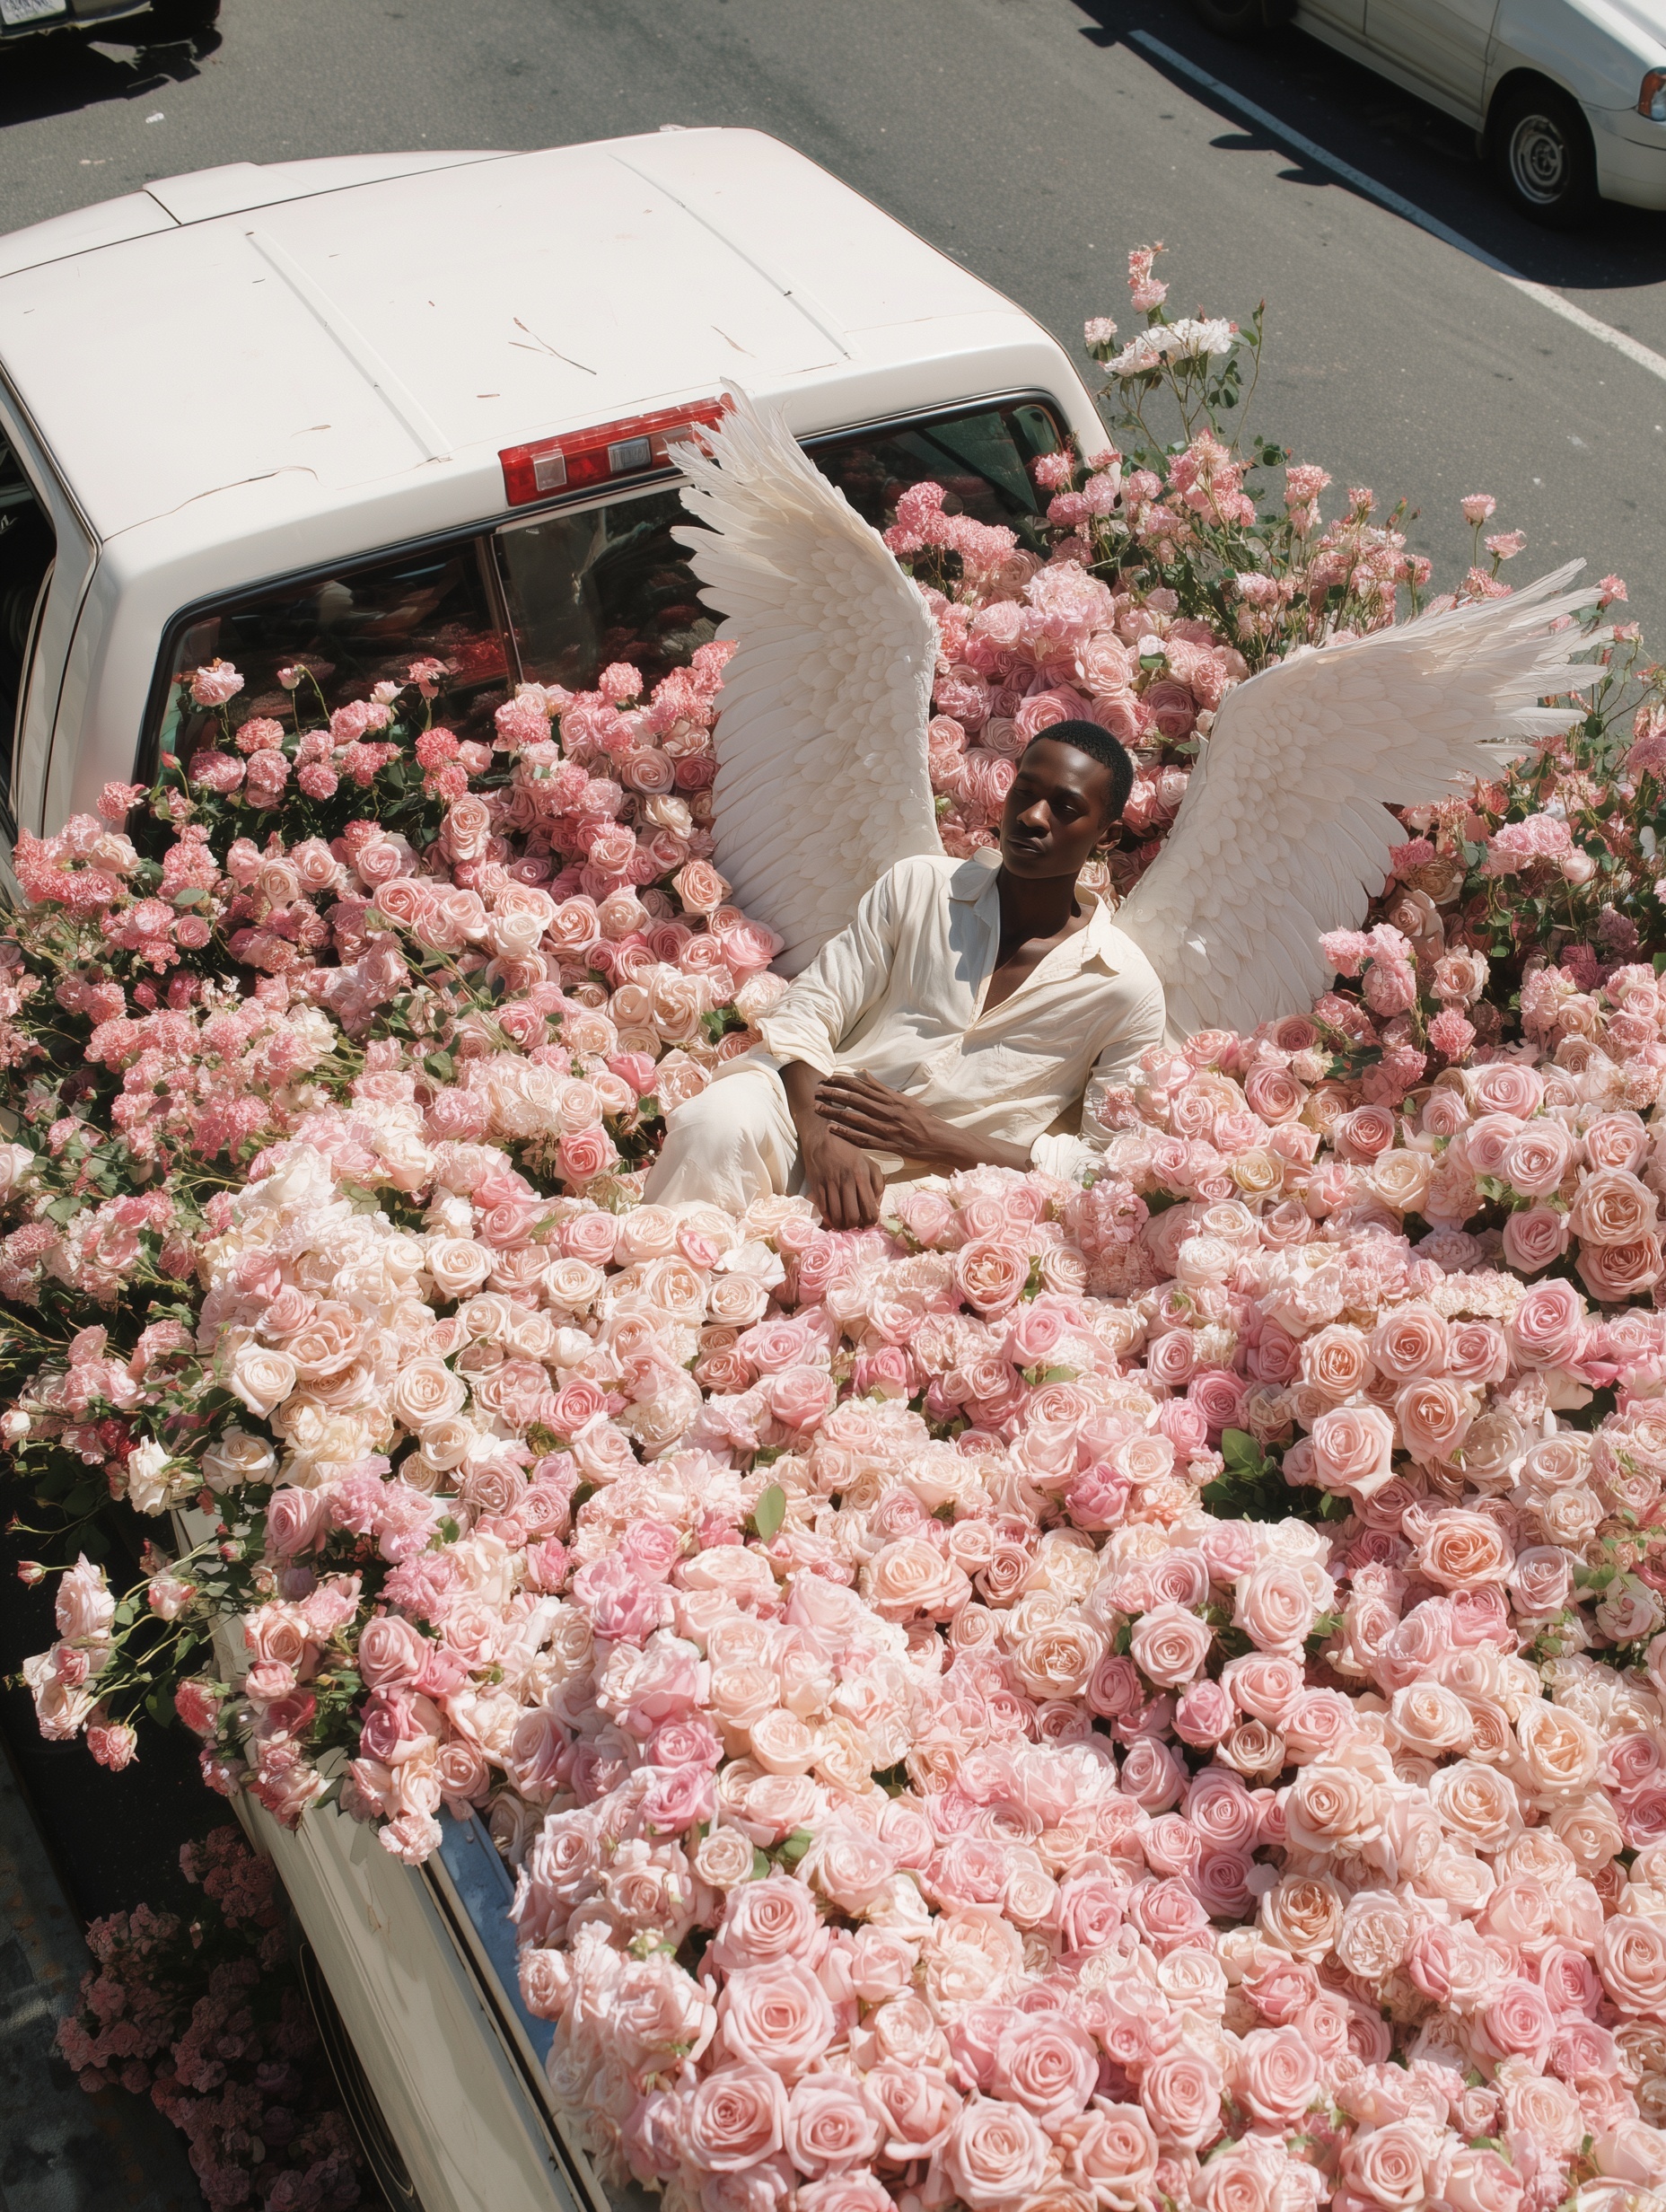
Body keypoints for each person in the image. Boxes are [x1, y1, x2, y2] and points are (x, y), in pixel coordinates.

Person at [643, 720, 1168, 1224]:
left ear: (1106, 833)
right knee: (715, 1122)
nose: (1033, 816)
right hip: (810, 1115)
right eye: (1024, 792)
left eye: (1066, 808)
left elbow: (1105, 1163)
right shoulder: (920, 887)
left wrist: (936, 1139)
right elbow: (811, 1012)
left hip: (948, 1184)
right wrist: (821, 1134)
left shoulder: (1123, 986)